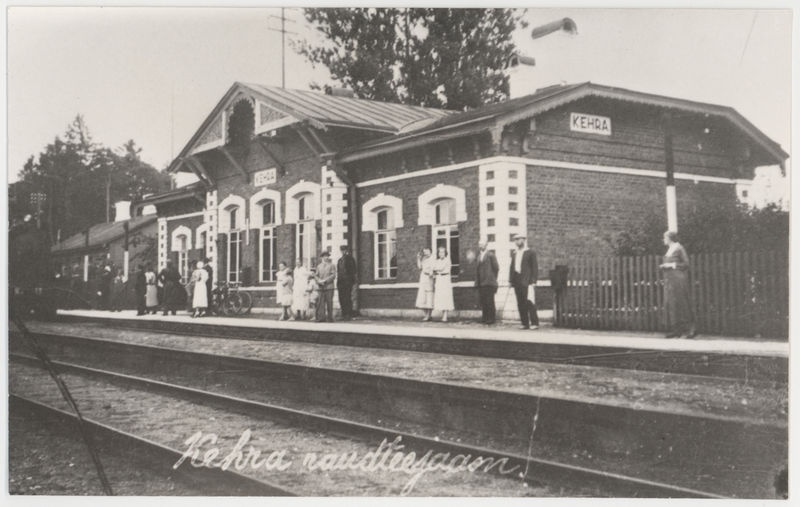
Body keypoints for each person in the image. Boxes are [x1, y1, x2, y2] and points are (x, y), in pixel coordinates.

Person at [660, 231, 697, 338]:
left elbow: (686, 264)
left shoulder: (679, 248)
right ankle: (677, 330)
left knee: (682, 303)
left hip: (678, 279)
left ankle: (691, 329)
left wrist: (670, 264)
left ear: (670, 238)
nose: (664, 239)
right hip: (670, 280)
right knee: (672, 304)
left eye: (665, 237)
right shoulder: (669, 249)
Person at [509, 233, 539, 330]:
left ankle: (534, 323)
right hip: (517, 280)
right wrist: (510, 280)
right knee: (520, 302)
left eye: (519, 239)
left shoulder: (530, 252)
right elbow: (512, 267)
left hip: (527, 280)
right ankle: (524, 323)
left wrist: (534, 280)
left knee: (529, 301)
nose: (517, 241)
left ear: (524, 240)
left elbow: (534, 267)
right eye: (515, 240)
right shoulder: (514, 253)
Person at [475, 241, 499, 325]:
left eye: (482, 244)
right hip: (481, 283)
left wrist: (492, 278)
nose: (481, 246)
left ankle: (491, 318)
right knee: (483, 301)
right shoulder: (478, 257)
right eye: (479, 244)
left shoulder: (490, 255)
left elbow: (496, 268)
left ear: (486, 245)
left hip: (489, 282)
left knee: (490, 301)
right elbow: (477, 270)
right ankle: (485, 318)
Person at [432, 246, 454, 322]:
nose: (441, 253)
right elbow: (434, 268)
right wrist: (437, 270)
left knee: (445, 296)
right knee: (440, 296)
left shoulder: (447, 260)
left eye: (443, 252)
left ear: (445, 253)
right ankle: (442, 314)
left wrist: (437, 270)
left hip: (445, 279)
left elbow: (441, 268)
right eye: (440, 252)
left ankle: (445, 316)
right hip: (439, 280)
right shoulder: (437, 261)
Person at [336, 245, 357, 320]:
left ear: (346, 251)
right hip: (341, 282)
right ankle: (343, 314)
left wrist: (351, 281)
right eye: (342, 250)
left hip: (348, 282)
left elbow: (354, 270)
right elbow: (338, 272)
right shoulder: (339, 260)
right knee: (341, 298)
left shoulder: (350, 259)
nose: (343, 252)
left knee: (347, 298)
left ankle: (349, 314)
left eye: (344, 250)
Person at [315, 251, 336, 322]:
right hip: (321, 287)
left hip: (329, 287)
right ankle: (321, 317)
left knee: (329, 302)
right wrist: (318, 281)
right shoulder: (319, 266)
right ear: (322, 257)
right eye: (324, 256)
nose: (326, 257)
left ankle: (330, 318)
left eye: (327, 256)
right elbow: (316, 275)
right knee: (321, 303)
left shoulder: (332, 265)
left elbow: (333, 275)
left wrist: (325, 281)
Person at [415, 247, 435, 321]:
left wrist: (431, 273)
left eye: (427, 251)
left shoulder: (433, 259)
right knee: (422, 296)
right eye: (425, 252)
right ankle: (427, 314)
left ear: (430, 251)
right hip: (423, 277)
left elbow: (433, 269)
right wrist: (418, 258)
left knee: (429, 296)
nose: (426, 253)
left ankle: (428, 315)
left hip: (429, 278)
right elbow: (420, 267)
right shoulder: (423, 259)